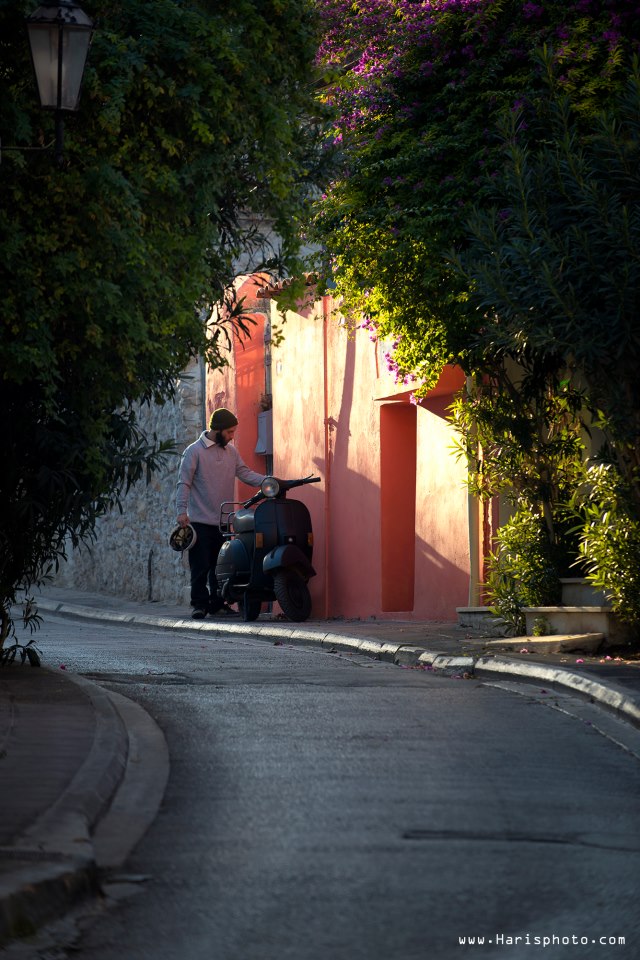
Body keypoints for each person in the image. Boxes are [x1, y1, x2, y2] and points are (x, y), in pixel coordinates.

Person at [176, 407, 267, 619]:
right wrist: (181, 511)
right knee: (200, 566)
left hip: (223, 521)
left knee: (220, 567)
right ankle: (199, 605)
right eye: (229, 432)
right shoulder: (194, 451)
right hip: (199, 521)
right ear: (217, 430)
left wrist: (268, 481)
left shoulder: (231, 452)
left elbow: (245, 473)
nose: (232, 436)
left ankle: (218, 605)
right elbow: (184, 483)